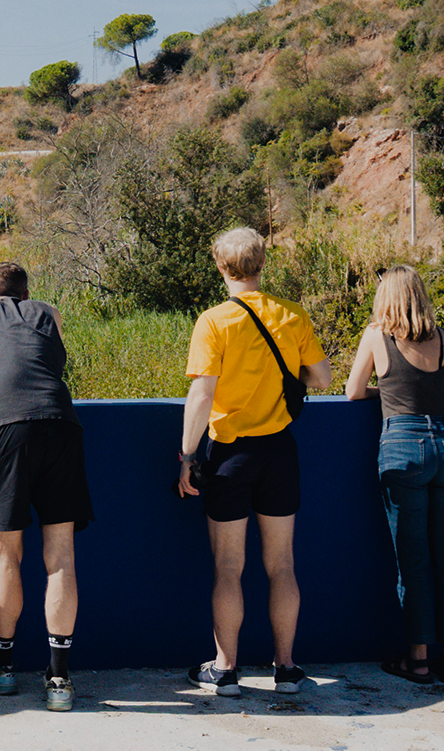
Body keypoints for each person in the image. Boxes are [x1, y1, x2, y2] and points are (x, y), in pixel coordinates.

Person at [178, 227, 330, 698]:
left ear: (220, 267)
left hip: (230, 454)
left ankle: (225, 670)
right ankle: (286, 668)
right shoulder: (292, 315)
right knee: (282, 565)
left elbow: (202, 394)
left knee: (228, 567)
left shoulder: (213, 321)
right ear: (262, 263)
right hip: (279, 451)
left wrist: (187, 456)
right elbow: (322, 379)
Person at [0, 261, 93, 713]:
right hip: (62, 425)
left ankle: (2, 668)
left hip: (9, 430)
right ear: (26, 293)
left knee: (6, 557)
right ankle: (59, 680)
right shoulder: (49, 312)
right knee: (61, 558)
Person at [345, 265, 444, 684]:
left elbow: (353, 391)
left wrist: (386, 391)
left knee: (414, 560)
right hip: (442, 442)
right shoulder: (442, 338)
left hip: (403, 448)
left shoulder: (376, 336)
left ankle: (418, 660)